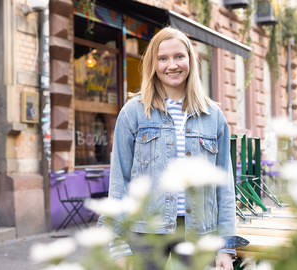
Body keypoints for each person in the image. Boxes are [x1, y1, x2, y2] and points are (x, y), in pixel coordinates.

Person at [98, 27, 237, 269]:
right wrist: (117, 244)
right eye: (163, 58)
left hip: (199, 233)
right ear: (153, 64)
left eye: (178, 57)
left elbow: (224, 186)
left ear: (190, 61)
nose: (171, 65)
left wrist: (225, 246)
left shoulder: (213, 116)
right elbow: (119, 181)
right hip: (145, 231)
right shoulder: (133, 113)